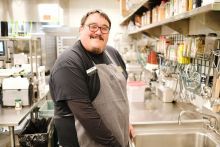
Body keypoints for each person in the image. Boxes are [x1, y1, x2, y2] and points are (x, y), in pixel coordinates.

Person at [49, 9, 133, 147]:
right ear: (81, 29)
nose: (99, 32)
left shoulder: (113, 54)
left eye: (104, 28)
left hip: (118, 140)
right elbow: (87, 116)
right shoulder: (68, 63)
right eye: (93, 26)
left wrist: (125, 124)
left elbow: (121, 96)